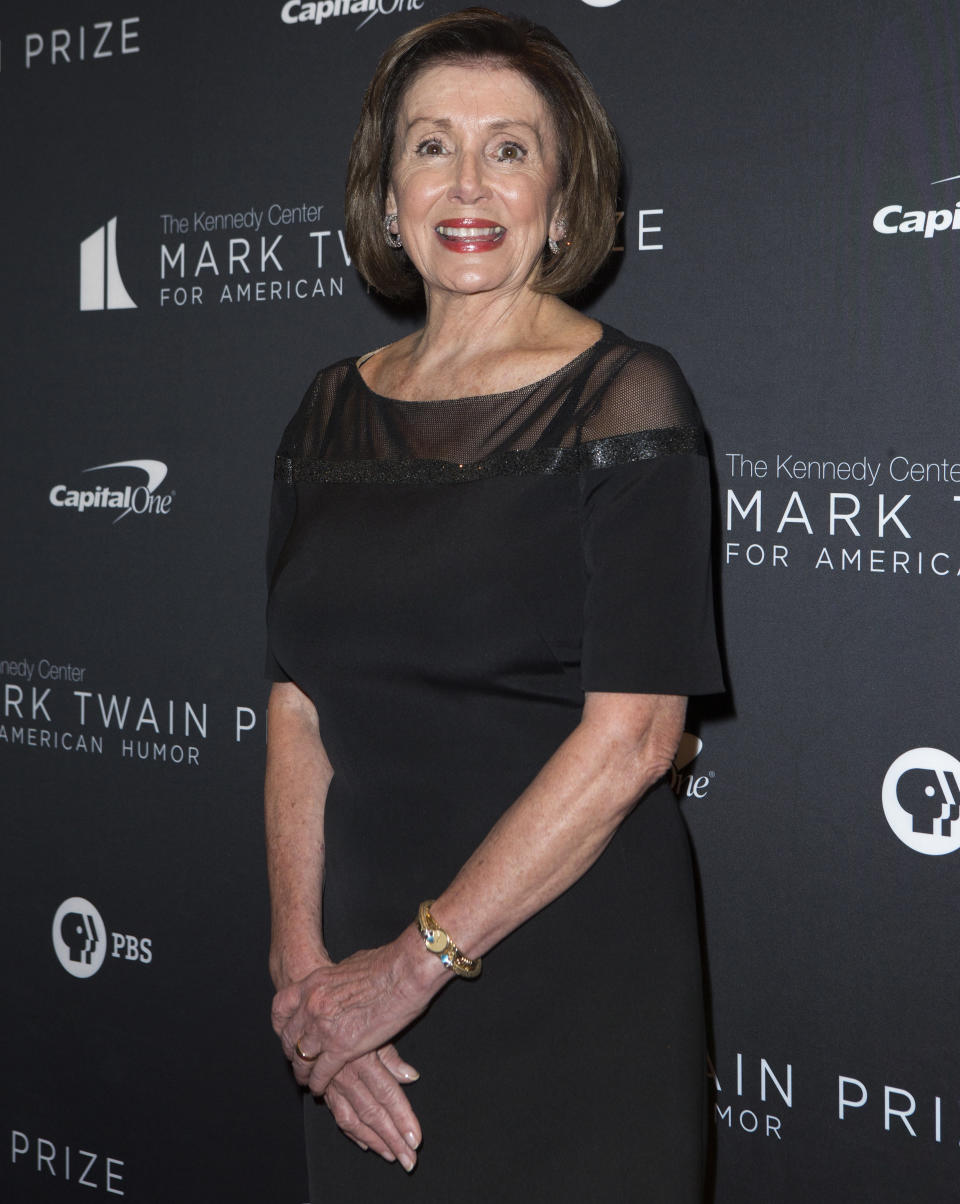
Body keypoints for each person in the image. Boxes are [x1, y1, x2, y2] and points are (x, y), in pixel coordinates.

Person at [264, 9, 723, 1201]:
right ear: (385, 191)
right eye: (431, 146)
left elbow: (632, 737)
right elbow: (298, 704)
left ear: (565, 202)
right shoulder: (324, 414)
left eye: (510, 149)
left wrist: (408, 971)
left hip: (563, 980)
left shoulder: (625, 400)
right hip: (360, 1006)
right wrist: (306, 974)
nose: (468, 184)